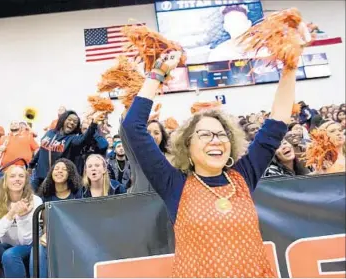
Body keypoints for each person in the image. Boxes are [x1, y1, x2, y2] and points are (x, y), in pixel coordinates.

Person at [122, 47, 299, 277]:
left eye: (221, 134)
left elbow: (277, 122)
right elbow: (133, 127)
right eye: (205, 135)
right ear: (188, 145)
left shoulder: (243, 175)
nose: (215, 141)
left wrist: (291, 64)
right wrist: (159, 72)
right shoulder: (173, 184)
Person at [0, 165, 42, 278]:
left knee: (10, 255)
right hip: (7, 245)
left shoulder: (35, 200)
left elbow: (26, 241)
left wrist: (22, 218)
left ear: (26, 181)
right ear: (5, 181)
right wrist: (10, 215)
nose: (17, 179)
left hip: (30, 246)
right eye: (12, 176)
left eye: (21, 176)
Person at [30, 158, 83, 278]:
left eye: (64, 169)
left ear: (70, 174)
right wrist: (45, 235)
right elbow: (44, 222)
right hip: (51, 236)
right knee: (37, 249)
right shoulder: (45, 194)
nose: (59, 171)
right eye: (56, 168)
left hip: (73, 236)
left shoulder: (78, 193)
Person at [28, 110, 103, 191]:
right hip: (37, 177)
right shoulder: (50, 132)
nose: (72, 123)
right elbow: (42, 150)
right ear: (63, 120)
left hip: (54, 181)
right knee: (33, 201)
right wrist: (31, 165)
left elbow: (84, 139)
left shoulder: (72, 139)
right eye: (69, 119)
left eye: (75, 122)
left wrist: (94, 123)